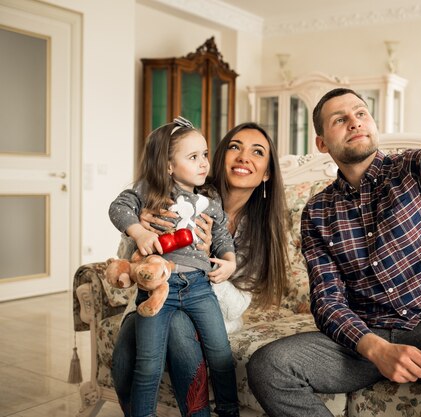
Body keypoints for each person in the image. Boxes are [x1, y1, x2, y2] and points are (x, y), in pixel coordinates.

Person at [246, 1, 421, 416]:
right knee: (269, 365)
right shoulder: (318, 211)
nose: (355, 121)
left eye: (361, 112)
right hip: (363, 342)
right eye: (340, 119)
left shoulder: (418, 170)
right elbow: (327, 301)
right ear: (322, 143)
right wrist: (375, 347)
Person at [111, 122, 289, 417]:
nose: (244, 157)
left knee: (180, 329)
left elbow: (237, 304)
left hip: (205, 300)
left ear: (267, 172)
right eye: (235, 146)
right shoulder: (182, 192)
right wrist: (138, 228)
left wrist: (208, 260)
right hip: (159, 292)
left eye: (257, 152)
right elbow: (130, 244)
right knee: (132, 353)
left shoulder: (256, 229)